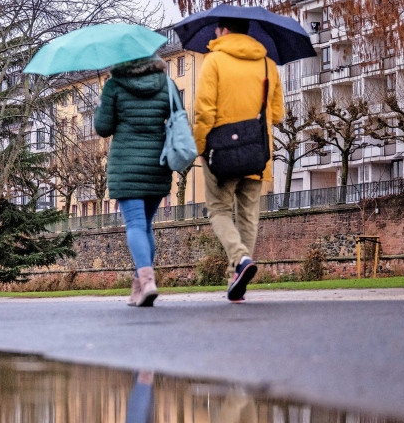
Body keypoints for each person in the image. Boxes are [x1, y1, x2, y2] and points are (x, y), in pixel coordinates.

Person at [192, 17, 283, 302]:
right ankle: (237, 277)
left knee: (218, 209)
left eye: (216, 29)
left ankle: (240, 260)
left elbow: (205, 110)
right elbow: (278, 114)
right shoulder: (267, 64)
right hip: (258, 151)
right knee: (248, 215)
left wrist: (200, 146)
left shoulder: (214, 60)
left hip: (222, 150)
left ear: (224, 30)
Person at [94, 54, 175, 307]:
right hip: (157, 162)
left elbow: (103, 127)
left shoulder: (114, 84)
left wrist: (103, 105)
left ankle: (147, 280)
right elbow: (177, 116)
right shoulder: (165, 83)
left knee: (136, 225)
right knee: (146, 225)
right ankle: (140, 287)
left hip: (126, 164)